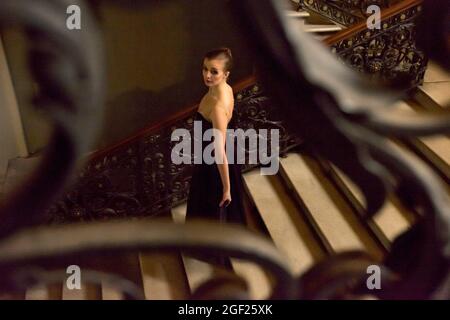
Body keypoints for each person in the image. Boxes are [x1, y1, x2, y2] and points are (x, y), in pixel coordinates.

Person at [185, 47, 248, 266]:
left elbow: (219, 150)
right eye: (205, 69)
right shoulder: (226, 89)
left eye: (214, 71)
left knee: (212, 201)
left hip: (213, 162)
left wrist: (227, 187)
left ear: (226, 74)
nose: (207, 75)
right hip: (213, 154)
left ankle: (211, 249)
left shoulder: (218, 107)